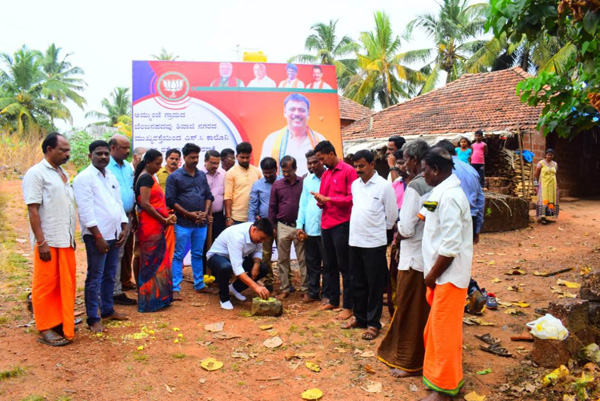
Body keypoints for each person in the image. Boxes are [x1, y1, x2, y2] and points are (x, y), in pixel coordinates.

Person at [419, 148, 473, 401]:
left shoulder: (450, 196)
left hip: (448, 277)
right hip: (441, 277)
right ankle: (440, 380)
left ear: (436, 170)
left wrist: (431, 275)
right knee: (435, 332)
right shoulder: (440, 192)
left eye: (425, 169)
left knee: (443, 335)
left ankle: (445, 391)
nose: (423, 174)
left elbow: (450, 246)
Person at [378, 140, 432, 377]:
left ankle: (408, 361)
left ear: (412, 160)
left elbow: (408, 228)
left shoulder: (416, 187)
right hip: (427, 255)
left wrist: (398, 230)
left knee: (409, 308)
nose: (403, 164)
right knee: (419, 308)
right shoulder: (433, 184)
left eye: (406, 160)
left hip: (413, 257)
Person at [22, 133, 77, 346]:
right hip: (48, 240)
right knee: (45, 284)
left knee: (64, 283)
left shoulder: (62, 173)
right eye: (62, 150)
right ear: (48, 149)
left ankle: (59, 320)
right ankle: (45, 327)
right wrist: (41, 242)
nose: (67, 154)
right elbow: (33, 210)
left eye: (68, 150)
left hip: (65, 239)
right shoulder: (36, 174)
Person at [73, 140, 129, 333]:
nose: (103, 157)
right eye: (99, 154)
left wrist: (123, 227)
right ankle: (93, 318)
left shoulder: (110, 176)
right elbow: (86, 210)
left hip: (114, 234)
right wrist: (97, 236)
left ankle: (107, 310)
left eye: (106, 153)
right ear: (90, 156)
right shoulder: (84, 178)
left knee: (110, 274)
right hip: (97, 236)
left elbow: (118, 203)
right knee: (95, 276)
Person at [342, 150, 397, 340]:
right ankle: (360, 317)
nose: (358, 170)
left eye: (362, 166)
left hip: (374, 242)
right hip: (355, 240)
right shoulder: (355, 185)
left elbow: (391, 216)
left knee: (374, 285)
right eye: (355, 166)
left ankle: (374, 323)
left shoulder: (384, 186)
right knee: (358, 282)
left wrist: (381, 232)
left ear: (372, 164)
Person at [435, 140, 486, 313]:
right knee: (461, 259)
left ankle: (463, 295)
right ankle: (471, 291)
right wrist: (477, 227)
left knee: (446, 258)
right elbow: (480, 199)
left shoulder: (443, 171)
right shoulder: (471, 170)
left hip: (450, 216)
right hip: (469, 219)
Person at [312, 140, 358, 320]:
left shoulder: (348, 171)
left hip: (342, 223)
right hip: (326, 223)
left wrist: (329, 199)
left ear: (331, 153)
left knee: (345, 266)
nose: (321, 162)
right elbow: (324, 199)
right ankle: (332, 299)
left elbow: (352, 198)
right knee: (329, 264)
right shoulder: (325, 175)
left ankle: (349, 305)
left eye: (322, 158)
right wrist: (321, 200)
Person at [166, 143, 214, 301]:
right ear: (184, 158)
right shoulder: (175, 177)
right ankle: (175, 287)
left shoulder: (201, 175)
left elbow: (208, 195)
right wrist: (188, 214)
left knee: (198, 253)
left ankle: (199, 284)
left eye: (197, 157)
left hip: (200, 223)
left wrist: (205, 213)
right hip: (183, 223)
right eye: (192, 157)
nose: (195, 160)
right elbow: (171, 201)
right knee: (178, 255)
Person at [134, 149, 177, 312]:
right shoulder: (145, 177)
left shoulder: (149, 176)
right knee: (151, 262)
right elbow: (145, 204)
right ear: (148, 162)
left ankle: (159, 298)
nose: (159, 167)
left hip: (155, 226)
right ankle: (149, 301)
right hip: (150, 226)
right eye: (157, 163)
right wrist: (163, 219)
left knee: (158, 260)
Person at [206, 219, 273, 310]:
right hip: (217, 256)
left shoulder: (258, 232)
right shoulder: (238, 236)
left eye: (264, 239)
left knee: (263, 268)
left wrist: (256, 265)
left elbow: (258, 251)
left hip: (238, 257)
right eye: (261, 238)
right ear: (254, 230)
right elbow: (237, 268)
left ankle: (235, 288)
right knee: (226, 267)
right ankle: (224, 298)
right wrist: (256, 287)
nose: (262, 241)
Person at [260, 93, 325, 176]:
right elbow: (264, 173)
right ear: (285, 112)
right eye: (292, 109)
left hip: (314, 188)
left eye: (301, 110)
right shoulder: (271, 140)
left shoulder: (320, 139)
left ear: (308, 114)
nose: (297, 113)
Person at [269, 156, 306, 299]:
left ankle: (305, 289)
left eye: (288, 171)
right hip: (282, 226)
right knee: (282, 260)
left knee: (302, 259)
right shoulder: (277, 185)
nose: (285, 174)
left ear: (295, 169)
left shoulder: (303, 183)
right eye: (283, 171)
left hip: (299, 227)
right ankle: (285, 289)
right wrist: (273, 227)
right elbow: (272, 207)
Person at [107, 134, 137, 306]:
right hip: (113, 218)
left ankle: (117, 287)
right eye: (123, 148)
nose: (127, 151)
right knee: (114, 254)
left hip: (128, 216)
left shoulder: (127, 167)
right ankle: (113, 291)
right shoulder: (105, 167)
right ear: (112, 148)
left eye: (128, 148)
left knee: (123, 253)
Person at [296, 150, 328, 304]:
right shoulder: (307, 180)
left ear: (322, 161)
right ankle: (314, 292)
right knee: (312, 262)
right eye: (310, 163)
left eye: (316, 161)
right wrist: (299, 225)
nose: (313, 165)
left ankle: (328, 294)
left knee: (328, 263)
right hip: (310, 229)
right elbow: (303, 204)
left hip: (327, 228)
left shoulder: (329, 177)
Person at [247, 157, 278, 292]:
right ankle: (268, 280)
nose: (268, 175)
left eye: (271, 172)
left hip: (281, 224)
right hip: (265, 225)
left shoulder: (283, 182)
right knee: (265, 255)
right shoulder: (258, 185)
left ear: (276, 170)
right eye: (265, 172)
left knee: (283, 255)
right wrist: (251, 224)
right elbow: (253, 206)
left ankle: (286, 282)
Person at [224, 142, 262, 225]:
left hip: (254, 217)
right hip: (236, 218)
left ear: (250, 156)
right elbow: (228, 197)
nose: (245, 160)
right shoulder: (231, 173)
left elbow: (260, 194)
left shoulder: (257, 172)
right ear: (237, 156)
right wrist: (228, 217)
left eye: (247, 157)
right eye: (242, 157)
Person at [201, 150, 227, 241]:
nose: (215, 166)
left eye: (217, 163)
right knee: (203, 244)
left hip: (219, 217)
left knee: (218, 242)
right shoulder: (198, 174)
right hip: (202, 216)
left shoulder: (223, 173)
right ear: (205, 160)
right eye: (212, 163)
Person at [535, 149, 559, 223]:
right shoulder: (541, 163)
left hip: (552, 185)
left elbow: (555, 174)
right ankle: (542, 217)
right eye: (548, 154)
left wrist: (557, 184)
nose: (549, 156)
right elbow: (536, 174)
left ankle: (549, 215)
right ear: (545, 155)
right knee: (544, 200)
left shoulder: (555, 164)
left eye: (551, 155)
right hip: (543, 185)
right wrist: (535, 185)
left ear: (553, 156)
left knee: (551, 199)